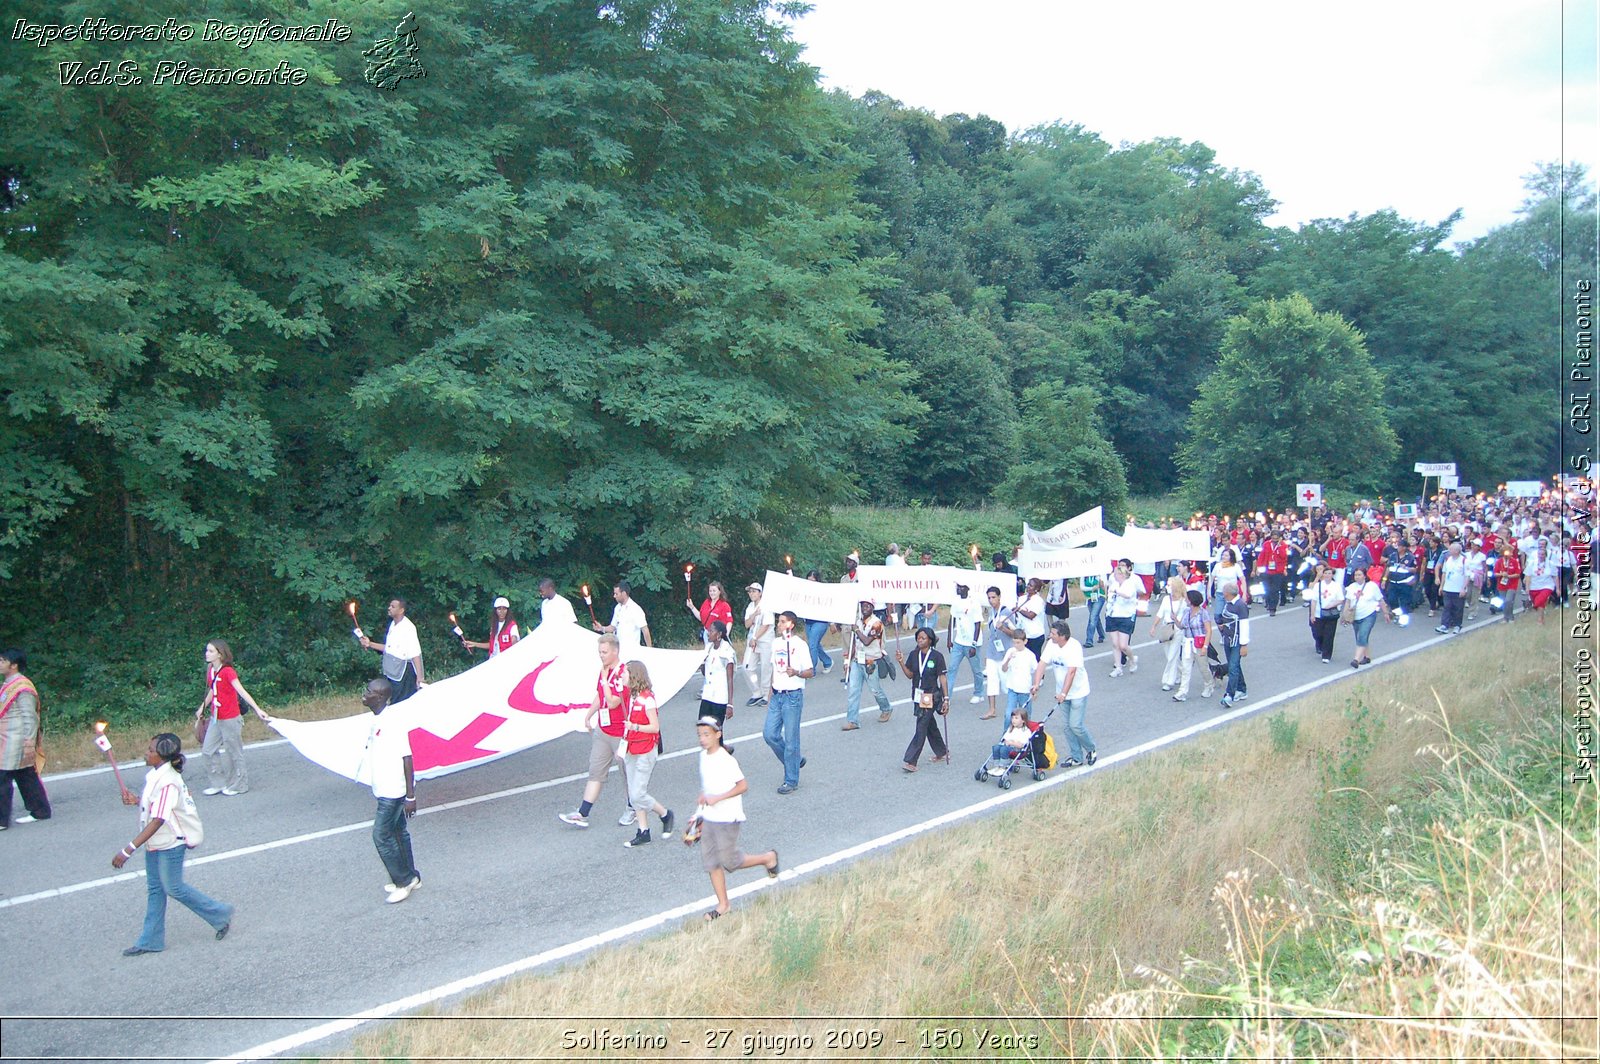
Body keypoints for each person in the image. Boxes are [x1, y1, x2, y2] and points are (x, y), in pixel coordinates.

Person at [113, 733, 233, 953]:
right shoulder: (156, 774)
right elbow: (157, 806)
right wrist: (137, 801)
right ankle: (150, 940)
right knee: (156, 890)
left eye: (151, 750)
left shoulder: (168, 782)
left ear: (162, 756)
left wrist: (128, 849)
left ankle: (219, 912)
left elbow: (159, 819)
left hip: (171, 843)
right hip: (156, 843)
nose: (146, 753)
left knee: (173, 888)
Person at [693, 717, 779, 922]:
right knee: (710, 861)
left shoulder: (726, 760)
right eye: (700, 735)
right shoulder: (703, 757)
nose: (703, 739)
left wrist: (718, 798)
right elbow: (709, 784)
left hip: (727, 817)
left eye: (707, 734)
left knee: (729, 860)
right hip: (709, 815)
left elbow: (742, 786)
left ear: (718, 734)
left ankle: (767, 858)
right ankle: (723, 905)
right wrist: (702, 802)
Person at [351, 678, 421, 902]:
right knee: (399, 832)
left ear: (380, 697)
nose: (364, 693)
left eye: (369, 691)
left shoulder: (391, 723)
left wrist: (411, 796)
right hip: (384, 789)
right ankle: (412, 876)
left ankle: (403, 881)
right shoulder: (377, 720)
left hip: (394, 792)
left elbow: (407, 759)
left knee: (381, 835)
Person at [558, 634, 630, 828]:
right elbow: (601, 696)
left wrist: (606, 680)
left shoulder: (623, 673)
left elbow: (614, 701)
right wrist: (589, 714)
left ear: (615, 651)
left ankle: (632, 806)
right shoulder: (604, 672)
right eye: (599, 652)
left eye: (605, 652)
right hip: (603, 729)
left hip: (621, 731)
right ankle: (583, 812)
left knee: (627, 772)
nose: (601, 656)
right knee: (596, 771)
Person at [194, 640, 268, 797]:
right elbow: (212, 691)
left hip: (230, 718)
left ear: (220, 654)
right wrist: (203, 707)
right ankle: (218, 783)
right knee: (208, 750)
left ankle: (239, 785)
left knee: (233, 752)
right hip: (216, 717)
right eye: (207, 650)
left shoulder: (228, 672)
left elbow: (241, 691)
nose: (207, 654)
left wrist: (257, 709)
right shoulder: (210, 670)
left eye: (211, 651)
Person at [619, 662, 674, 848]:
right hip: (631, 748)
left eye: (625, 673)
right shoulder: (631, 696)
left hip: (645, 749)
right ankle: (643, 830)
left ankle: (665, 813)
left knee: (637, 793)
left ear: (634, 675)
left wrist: (634, 727)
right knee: (634, 791)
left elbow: (654, 727)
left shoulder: (647, 699)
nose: (622, 676)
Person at [1031, 619, 1095, 768]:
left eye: (1053, 633)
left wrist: (1064, 693)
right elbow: (1042, 664)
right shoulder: (1051, 646)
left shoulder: (1074, 647)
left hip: (1078, 691)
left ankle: (1091, 749)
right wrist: (1036, 684)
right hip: (1061, 692)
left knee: (1076, 725)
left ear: (1062, 636)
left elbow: (1071, 672)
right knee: (1067, 727)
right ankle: (1076, 756)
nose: (1050, 636)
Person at [0, 648, 51, 830]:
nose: (0, 663)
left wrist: (29, 742)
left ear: (14, 665)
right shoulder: (8, 683)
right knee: (25, 775)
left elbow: (30, 716)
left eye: (3, 661)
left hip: (16, 740)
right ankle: (40, 811)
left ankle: (1, 820)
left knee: (3, 778)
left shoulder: (23, 687)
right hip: (6, 738)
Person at [764, 611, 813, 794]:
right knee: (769, 734)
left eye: (782, 621)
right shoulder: (776, 643)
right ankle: (794, 760)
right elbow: (774, 670)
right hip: (777, 695)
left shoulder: (800, 645)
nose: (779, 624)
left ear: (791, 625)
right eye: (779, 621)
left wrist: (797, 672)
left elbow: (810, 671)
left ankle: (791, 779)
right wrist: (770, 693)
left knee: (792, 740)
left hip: (793, 696)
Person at [895, 627, 948, 772]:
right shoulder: (914, 654)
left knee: (921, 726)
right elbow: (910, 675)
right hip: (918, 696)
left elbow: (942, 679)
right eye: (918, 637)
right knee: (929, 724)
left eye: (923, 638)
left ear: (930, 640)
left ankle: (911, 760)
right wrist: (901, 662)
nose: (920, 640)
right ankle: (942, 751)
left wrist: (946, 698)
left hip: (931, 696)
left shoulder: (937, 656)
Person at [360, 598, 425, 703]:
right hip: (392, 670)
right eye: (390, 606)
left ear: (401, 610)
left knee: (402, 703)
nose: (389, 608)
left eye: (393, 607)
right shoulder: (393, 625)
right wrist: (370, 644)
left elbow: (415, 653)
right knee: (393, 701)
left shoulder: (408, 628)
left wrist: (420, 677)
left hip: (404, 673)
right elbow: (389, 648)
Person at [843, 600, 892, 729]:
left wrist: (857, 630)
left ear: (872, 608)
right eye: (863, 606)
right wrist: (848, 660)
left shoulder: (876, 623)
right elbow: (855, 643)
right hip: (857, 661)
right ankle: (852, 720)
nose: (865, 608)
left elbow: (866, 641)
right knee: (853, 691)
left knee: (875, 690)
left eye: (868, 606)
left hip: (871, 661)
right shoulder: (858, 622)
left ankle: (886, 708)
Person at [1342, 567, 1390, 667]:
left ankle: (1356, 659)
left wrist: (1386, 613)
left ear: (1364, 575)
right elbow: (1348, 602)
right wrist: (1345, 614)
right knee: (1360, 637)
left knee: (1363, 635)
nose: (1357, 577)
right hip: (1356, 616)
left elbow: (1380, 600)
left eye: (1359, 575)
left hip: (1369, 614)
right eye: (1356, 575)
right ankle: (1366, 657)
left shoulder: (1372, 586)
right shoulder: (1351, 587)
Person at [1171, 590, 1214, 702]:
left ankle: (1209, 684)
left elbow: (1208, 630)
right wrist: (1175, 620)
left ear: (1191, 600)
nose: (1185, 600)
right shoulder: (1186, 611)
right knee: (1186, 668)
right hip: (1187, 643)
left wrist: (1205, 646)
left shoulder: (1203, 613)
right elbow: (1182, 626)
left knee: (1203, 667)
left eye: (1187, 598)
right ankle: (1182, 692)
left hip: (1199, 643)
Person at [1104, 560, 1142, 677]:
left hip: (1125, 616)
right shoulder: (1114, 584)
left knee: (1123, 645)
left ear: (1122, 574)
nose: (1114, 575)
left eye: (1117, 573)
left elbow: (1128, 595)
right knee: (1115, 644)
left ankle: (1132, 658)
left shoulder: (1129, 584)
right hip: (1112, 615)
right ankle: (1118, 667)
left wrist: (1117, 591)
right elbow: (1109, 598)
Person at [1214, 582, 1250, 708]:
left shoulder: (1240, 605)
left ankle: (1229, 694)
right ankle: (1242, 689)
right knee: (1234, 665)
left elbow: (1244, 626)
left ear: (1228, 593)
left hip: (1237, 641)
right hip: (1227, 639)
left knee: (1233, 667)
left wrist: (1244, 644)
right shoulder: (1228, 604)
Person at [948, 583, 985, 704]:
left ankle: (979, 693)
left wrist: (973, 644)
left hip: (971, 643)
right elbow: (952, 620)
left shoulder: (974, 602)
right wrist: (949, 639)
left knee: (976, 670)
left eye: (962, 587)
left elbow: (978, 623)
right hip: (958, 642)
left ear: (968, 589)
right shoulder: (955, 601)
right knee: (952, 668)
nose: (959, 589)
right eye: (958, 586)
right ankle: (947, 695)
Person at [981, 587, 1014, 722]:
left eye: (993, 597)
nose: (991, 600)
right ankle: (992, 709)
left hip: (1005, 652)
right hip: (992, 651)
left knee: (1007, 683)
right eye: (989, 598)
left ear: (999, 597)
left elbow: (1016, 633)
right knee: (992, 681)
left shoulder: (1006, 612)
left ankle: (1013, 707)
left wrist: (1003, 628)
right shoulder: (991, 612)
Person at [698, 621, 737, 727]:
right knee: (703, 726)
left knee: (715, 731)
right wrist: (702, 662)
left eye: (712, 631)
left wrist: (730, 704)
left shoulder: (727, 651)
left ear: (719, 634)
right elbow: (704, 673)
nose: (708, 633)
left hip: (720, 697)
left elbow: (730, 679)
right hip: (707, 694)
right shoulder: (709, 648)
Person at [1151, 575, 1186, 693]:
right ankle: (1182, 672)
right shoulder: (1166, 599)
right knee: (1169, 655)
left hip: (1177, 629)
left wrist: (1177, 620)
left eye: (1170, 585)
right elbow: (1160, 613)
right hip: (1166, 627)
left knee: (1172, 656)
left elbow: (1186, 618)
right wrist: (1153, 627)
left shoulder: (1184, 601)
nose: (1167, 587)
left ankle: (1168, 681)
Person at [741, 582, 773, 707]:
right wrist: (754, 614)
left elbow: (766, 625)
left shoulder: (767, 605)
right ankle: (756, 692)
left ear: (760, 593)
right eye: (750, 591)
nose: (751, 594)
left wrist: (755, 637)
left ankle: (766, 694)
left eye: (754, 591)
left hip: (765, 640)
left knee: (766, 667)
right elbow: (747, 624)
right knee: (747, 667)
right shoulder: (750, 606)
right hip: (753, 640)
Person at [596, 581, 652, 649]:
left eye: (616, 594)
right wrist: (601, 628)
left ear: (624, 593)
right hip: (618, 648)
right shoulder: (617, 607)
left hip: (631, 649)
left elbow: (645, 630)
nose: (614, 596)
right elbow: (613, 627)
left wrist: (649, 650)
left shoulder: (635, 609)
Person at [998, 630, 1038, 720]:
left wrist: (1035, 688)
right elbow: (1004, 669)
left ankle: (1026, 733)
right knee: (1009, 715)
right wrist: (1008, 659)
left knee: (1025, 717)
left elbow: (1036, 671)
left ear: (1025, 641)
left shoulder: (1030, 655)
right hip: (1012, 689)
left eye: (1018, 643)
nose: (1016, 645)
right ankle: (1007, 733)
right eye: (1014, 643)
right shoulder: (1010, 651)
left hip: (1025, 690)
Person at [1309, 565, 1345, 663]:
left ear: (1332, 575)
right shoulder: (1318, 585)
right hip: (1319, 613)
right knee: (1318, 633)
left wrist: (1331, 605)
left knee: (1329, 634)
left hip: (1331, 613)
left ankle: (1326, 655)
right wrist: (1312, 614)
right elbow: (1314, 600)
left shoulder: (1336, 586)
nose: (1327, 575)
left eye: (1329, 573)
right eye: (1325, 573)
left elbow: (1341, 599)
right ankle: (1320, 645)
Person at [801, 571, 834, 675]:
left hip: (820, 621)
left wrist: (832, 622)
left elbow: (829, 606)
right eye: (808, 580)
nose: (810, 582)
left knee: (812, 645)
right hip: (808, 622)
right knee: (815, 644)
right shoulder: (804, 591)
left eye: (813, 580)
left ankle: (812, 670)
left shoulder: (823, 591)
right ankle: (827, 662)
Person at [1434, 541, 1468, 634]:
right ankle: (1444, 625)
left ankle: (1457, 625)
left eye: (1451, 549)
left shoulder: (1464, 560)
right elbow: (1444, 573)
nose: (1449, 551)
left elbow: (1466, 575)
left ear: (1457, 551)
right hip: (1448, 588)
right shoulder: (1448, 559)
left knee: (1458, 608)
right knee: (1447, 607)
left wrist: (1463, 588)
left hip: (1458, 589)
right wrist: (1441, 586)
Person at [1253, 530, 1288, 617]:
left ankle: (1273, 608)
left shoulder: (1283, 545)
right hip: (1267, 569)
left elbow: (1284, 557)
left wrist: (1279, 546)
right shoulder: (1266, 544)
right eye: (1273, 538)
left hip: (1278, 571)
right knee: (1267, 589)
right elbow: (1262, 556)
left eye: (1276, 539)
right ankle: (1268, 602)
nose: (1274, 540)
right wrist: (1258, 567)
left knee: (1275, 590)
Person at [686, 581, 734, 646]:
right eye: (710, 591)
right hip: (708, 634)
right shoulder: (706, 603)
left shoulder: (724, 605)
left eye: (714, 591)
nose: (712, 593)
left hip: (718, 635)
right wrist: (692, 607)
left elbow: (729, 621)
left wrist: (725, 635)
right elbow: (701, 618)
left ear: (719, 592)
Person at [1524, 537, 1560, 622]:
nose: (1541, 556)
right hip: (1534, 586)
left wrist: (1558, 588)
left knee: (1539, 601)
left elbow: (1555, 576)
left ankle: (1540, 619)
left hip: (1546, 585)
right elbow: (1528, 576)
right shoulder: (1532, 563)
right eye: (1539, 554)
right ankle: (1541, 618)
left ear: (1546, 555)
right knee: (1538, 604)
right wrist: (1527, 587)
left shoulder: (1550, 564)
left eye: (1543, 554)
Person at [1015, 578, 1049, 659]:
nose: (1028, 587)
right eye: (1028, 584)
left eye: (1031, 585)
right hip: (1024, 634)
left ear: (1036, 589)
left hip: (1035, 635)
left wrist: (1019, 610)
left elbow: (1031, 616)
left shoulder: (1038, 601)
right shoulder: (1022, 598)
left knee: (1035, 659)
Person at [1494, 546, 1523, 623]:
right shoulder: (1499, 561)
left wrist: (1509, 576)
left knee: (1508, 600)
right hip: (1501, 584)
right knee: (1504, 602)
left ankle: (1510, 617)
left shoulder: (1514, 561)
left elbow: (1518, 574)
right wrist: (1501, 574)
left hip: (1512, 584)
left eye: (1510, 552)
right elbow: (1495, 573)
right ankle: (1505, 617)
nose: (1509, 554)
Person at [1079, 573, 1106, 647]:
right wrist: (1092, 588)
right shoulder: (1084, 575)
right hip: (1089, 598)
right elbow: (1082, 587)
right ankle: (1102, 635)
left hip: (1099, 597)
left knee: (1093, 617)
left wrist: (1100, 584)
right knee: (1095, 617)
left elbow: (1103, 584)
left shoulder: (1100, 573)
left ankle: (1089, 640)